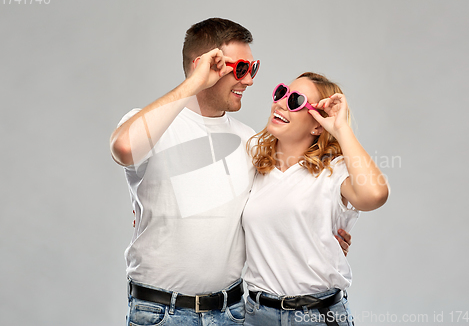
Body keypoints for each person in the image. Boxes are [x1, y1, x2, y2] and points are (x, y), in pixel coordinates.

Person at [110, 18, 352, 326]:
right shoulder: (152, 124)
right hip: (162, 313)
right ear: (203, 67)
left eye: (253, 69)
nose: (249, 81)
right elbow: (124, 149)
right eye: (240, 69)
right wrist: (193, 84)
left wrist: (320, 238)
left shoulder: (249, 142)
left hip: (234, 312)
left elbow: (280, 204)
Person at [242, 73, 389, 326]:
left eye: (296, 101)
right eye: (281, 93)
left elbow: (375, 195)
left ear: (317, 125)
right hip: (256, 314)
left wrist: (341, 129)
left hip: (316, 316)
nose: (281, 103)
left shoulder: (333, 171)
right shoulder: (253, 162)